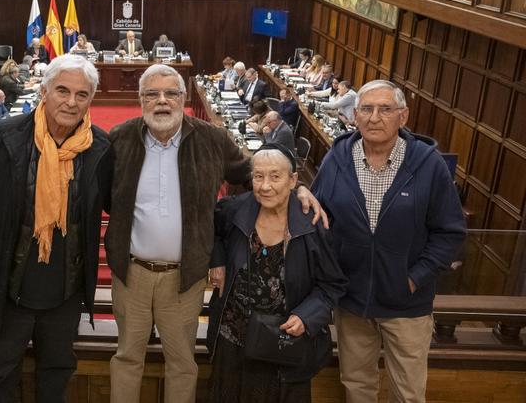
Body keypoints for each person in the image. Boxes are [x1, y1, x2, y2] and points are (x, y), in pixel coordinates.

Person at [104, 64, 326, 403]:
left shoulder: (211, 138)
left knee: (181, 362)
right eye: (152, 94)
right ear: (141, 100)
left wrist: (297, 190)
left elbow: (255, 171)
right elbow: (103, 194)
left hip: (185, 276)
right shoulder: (120, 138)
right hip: (131, 274)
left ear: (183, 98)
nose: (162, 101)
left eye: (171, 93)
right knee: (127, 357)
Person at [0, 54, 114, 402]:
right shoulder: (2, 138)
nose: (71, 102)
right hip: (7, 284)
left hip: (64, 290)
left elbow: (118, 205)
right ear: (44, 91)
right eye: (62, 90)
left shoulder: (100, 148)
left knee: (56, 375)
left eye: (82, 94)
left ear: (91, 99)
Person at [311, 80, 466, 403]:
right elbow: (317, 218)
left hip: (407, 305)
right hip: (351, 302)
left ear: (403, 116)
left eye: (385, 109)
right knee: (356, 386)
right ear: (354, 115)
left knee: (408, 393)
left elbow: (450, 232)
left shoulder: (428, 164)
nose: (374, 117)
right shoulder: (337, 157)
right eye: (366, 109)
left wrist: (414, 279)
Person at [208, 145, 346, 402]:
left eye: (275, 176)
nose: (265, 186)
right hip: (233, 341)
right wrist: (217, 261)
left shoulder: (313, 225)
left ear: (293, 180)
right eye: (258, 176)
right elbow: (210, 227)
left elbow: (332, 285)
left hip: (283, 345)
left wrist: (307, 316)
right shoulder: (235, 209)